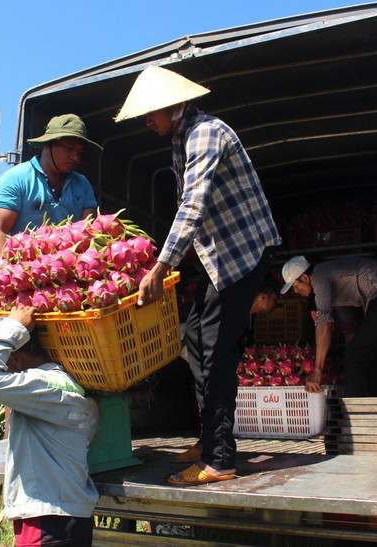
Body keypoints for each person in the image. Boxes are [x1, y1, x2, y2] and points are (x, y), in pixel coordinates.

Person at [115, 65, 281, 486]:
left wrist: (161, 265)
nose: (146, 121)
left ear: (173, 106)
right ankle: (209, 440)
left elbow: (192, 205)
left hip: (241, 254)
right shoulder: (181, 138)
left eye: (150, 113)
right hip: (219, 257)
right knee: (193, 336)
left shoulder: (205, 133)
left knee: (217, 353)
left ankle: (220, 459)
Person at [0, 306, 99, 546]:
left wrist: (12, 330)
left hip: (46, 520)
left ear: (15, 358)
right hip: (67, 516)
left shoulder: (40, 386)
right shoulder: (60, 383)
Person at [279, 255, 377, 397]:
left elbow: (324, 323)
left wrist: (318, 370)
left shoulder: (319, 275)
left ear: (305, 278)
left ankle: (352, 408)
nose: (296, 291)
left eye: (295, 286)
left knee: (356, 354)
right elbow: (348, 322)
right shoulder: (329, 282)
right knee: (370, 353)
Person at [0, 113, 101, 258]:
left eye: (80, 152)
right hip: (25, 272)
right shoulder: (16, 178)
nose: (75, 157)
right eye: (69, 148)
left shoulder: (82, 184)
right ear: (48, 144)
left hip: (68, 274)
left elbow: (88, 232)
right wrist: (7, 273)